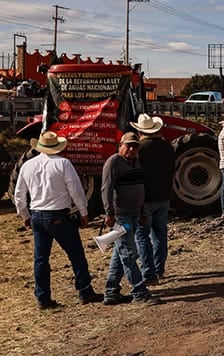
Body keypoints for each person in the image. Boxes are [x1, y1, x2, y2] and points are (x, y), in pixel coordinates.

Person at [14, 131, 102, 310]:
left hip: (37, 214)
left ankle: (43, 297)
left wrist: (24, 215)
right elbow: (75, 190)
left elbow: (19, 194)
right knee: (76, 254)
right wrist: (84, 211)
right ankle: (85, 290)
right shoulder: (63, 164)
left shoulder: (28, 166)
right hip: (58, 215)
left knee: (41, 259)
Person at [101, 132, 161, 306]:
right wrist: (109, 213)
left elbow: (140, 187)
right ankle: (139, 292)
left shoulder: (136, 162)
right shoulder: (113, 162)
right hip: (121, 215)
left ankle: (111, 292)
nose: (132, 149)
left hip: (134, 214)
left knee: (119, 254)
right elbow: (106, 189)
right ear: (121, 145)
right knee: (128, 254)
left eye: (135, 146)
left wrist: (142, 212)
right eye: (129, 145)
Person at [131, 113, 176, 285]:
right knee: (160, 235)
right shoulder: (167, 147)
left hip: (145, 198)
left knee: (142, 236)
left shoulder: (139, 149)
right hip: (163, 196)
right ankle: (159, 269)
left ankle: (148, 273)